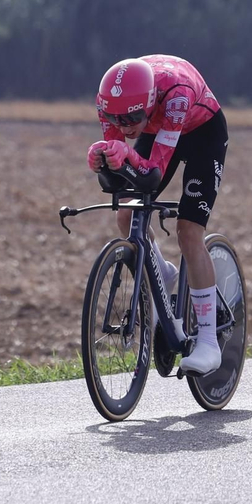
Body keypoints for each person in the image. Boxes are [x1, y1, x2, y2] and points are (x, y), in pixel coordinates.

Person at [88, 55, 227, 375]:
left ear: (149, 101)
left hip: (202, 133)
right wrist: (104, 161)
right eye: (116, 119)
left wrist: (127, 156)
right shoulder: (113, 103)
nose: (124, 126)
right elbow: (118, 172)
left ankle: (208, 341)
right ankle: (161, 272)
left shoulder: (174, 94)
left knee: (189, 231)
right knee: (126, 213)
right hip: (158, 126)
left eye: (131, 117)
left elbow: (153, 172)